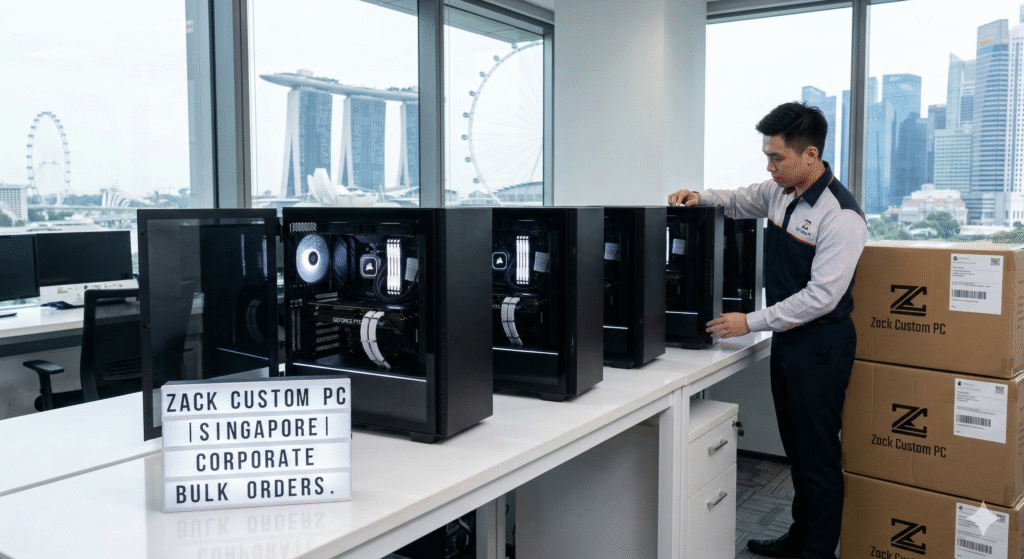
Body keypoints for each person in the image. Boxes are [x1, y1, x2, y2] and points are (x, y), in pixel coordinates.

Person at [668, 101, 867, 559]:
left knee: (817, 457)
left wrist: (749, 321)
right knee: (796, 447)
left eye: (777, 157)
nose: (770, 166)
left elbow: (822, 297)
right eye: (767, 156)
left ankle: (816, 551)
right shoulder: (780, 191)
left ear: (810, 155)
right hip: (791, 341)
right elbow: (740, 199)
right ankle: (798, 537)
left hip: (822, 344)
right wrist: (700, 196)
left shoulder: (841, 216)